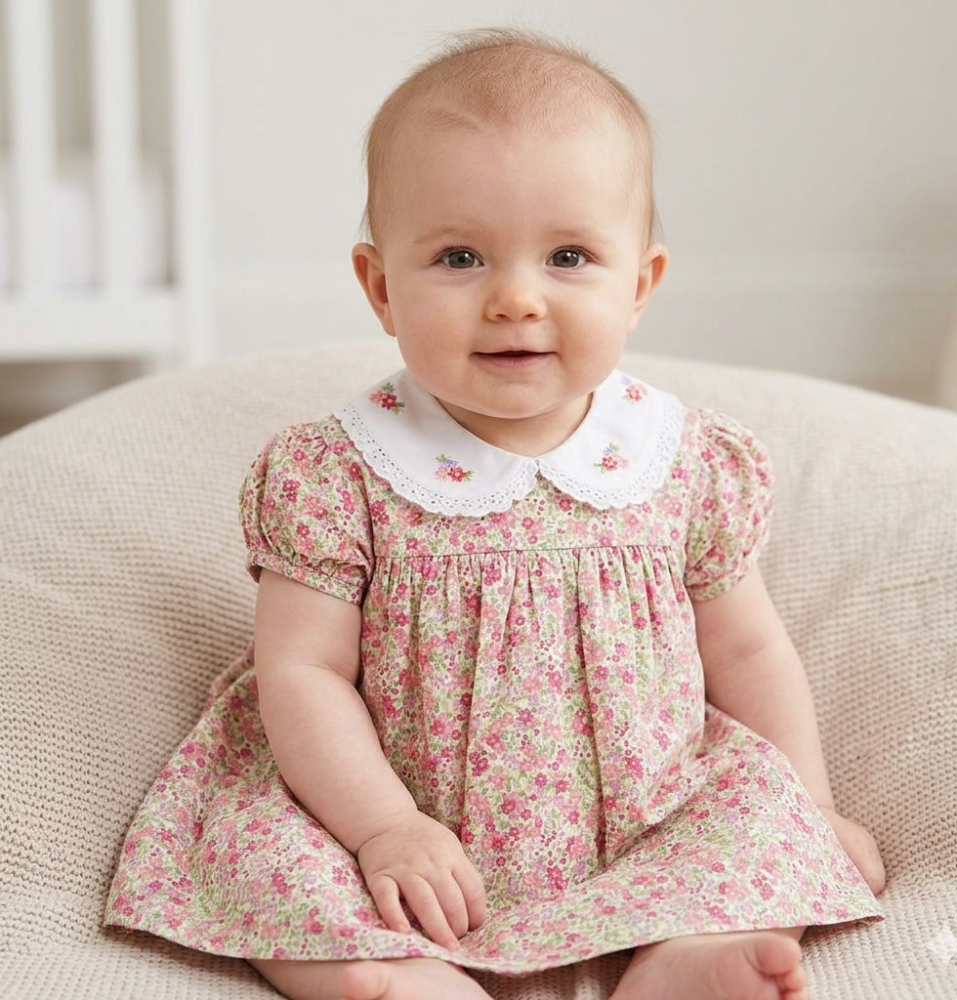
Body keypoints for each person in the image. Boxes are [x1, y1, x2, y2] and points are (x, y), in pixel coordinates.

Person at [106, 27, 885, 1000]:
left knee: (751, 820)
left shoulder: (683, 463)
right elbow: (300, 672)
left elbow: (749, 653)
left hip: (642, 813)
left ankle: (680, 955)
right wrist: (381, 825)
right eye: (461, 256)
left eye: (567, 255)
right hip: (392, 813)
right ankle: (399, 974)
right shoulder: (337, 474)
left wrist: (807, 804)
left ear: (638, 285)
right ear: (381, 287)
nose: (516, 298)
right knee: (262, 856)